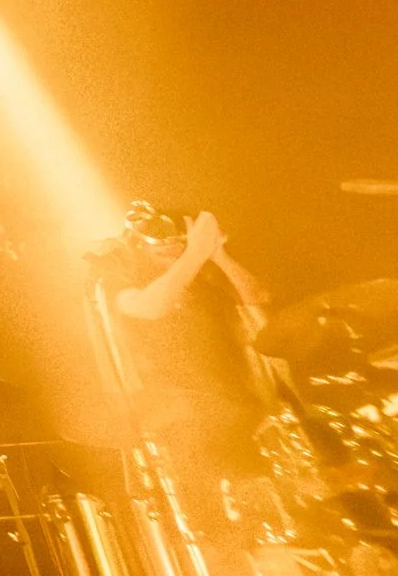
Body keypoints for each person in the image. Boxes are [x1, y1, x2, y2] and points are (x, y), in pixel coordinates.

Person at [85, 205, 275, 524]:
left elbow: (256, 297)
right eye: (163, 251)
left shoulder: (203, 283)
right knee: (214, 528)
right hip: (186, 429)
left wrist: (218, 256)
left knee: (269, 525)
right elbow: (149, 306)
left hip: (242, 415)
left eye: (178, 248)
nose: (174, 257)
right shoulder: (121, 284)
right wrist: (194, 254)